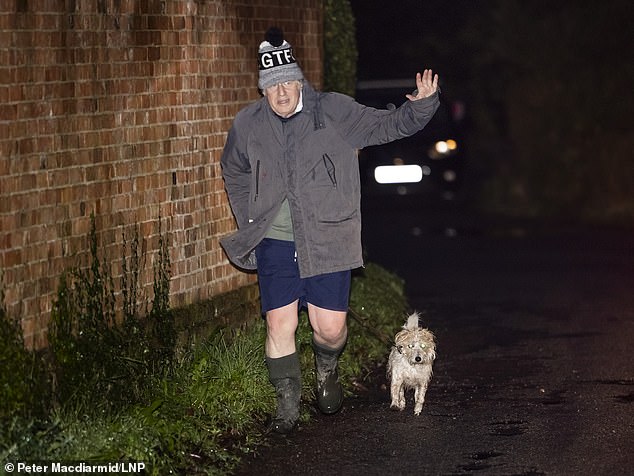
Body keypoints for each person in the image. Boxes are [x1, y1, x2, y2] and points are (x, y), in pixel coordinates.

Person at [220, 27, 439, 435]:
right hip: (276, 240)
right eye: (272, 87)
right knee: (278, 324)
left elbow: (385, 126)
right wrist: (248, 214)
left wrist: (421, 107)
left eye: (287, 82)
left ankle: (327, 367)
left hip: (329, 237)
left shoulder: (333, 111)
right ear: (261, 89)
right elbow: (232, 167)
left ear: (299, 79)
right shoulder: (248, 123)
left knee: (331, 329)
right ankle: (287, 407)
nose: (281, 93)